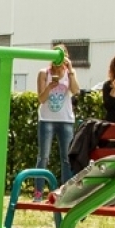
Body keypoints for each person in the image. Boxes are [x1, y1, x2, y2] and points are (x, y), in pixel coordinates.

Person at [35, 48, 78, 194]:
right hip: (46, 119)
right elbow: (41, 99)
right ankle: (38, 192)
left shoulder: (69, 73)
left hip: (66, 120)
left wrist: (70, 71)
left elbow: (76, 91)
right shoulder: (44, 73)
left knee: (66, 158)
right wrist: (49, 87)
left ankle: (65, 193)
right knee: (43, 157)